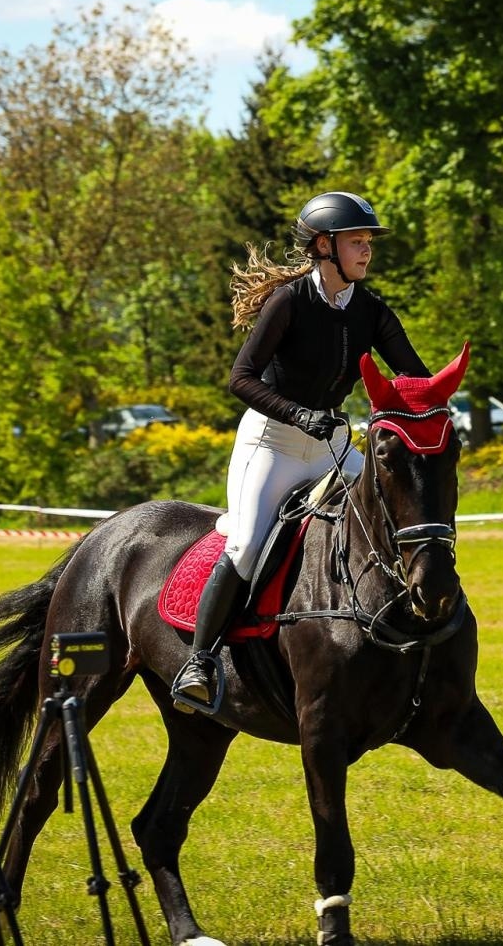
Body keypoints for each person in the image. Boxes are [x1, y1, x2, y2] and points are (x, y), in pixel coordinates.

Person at [171, 191, 429, 713]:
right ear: (323, 246)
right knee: (245, 544)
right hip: (272, 444)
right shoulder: (288, 302)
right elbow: (240, 379)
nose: (366, 251)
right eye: (356, 241)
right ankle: (198, 663)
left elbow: (414, 373)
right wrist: (299, 414)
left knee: (391, 518)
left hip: (333, 447)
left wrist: (428, 406)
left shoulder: (372, 310)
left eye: (368, 242)